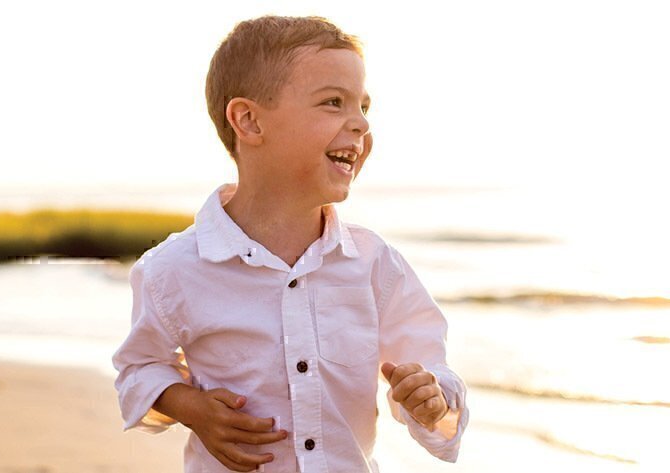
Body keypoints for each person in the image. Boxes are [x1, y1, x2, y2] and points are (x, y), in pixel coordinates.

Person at [112, 14, 469, 473]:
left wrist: (431, 397)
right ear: (249, 121)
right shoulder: (173, 269)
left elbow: (430, 362)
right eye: (333, 102)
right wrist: (191, 408)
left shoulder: (374, 263)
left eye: (364, 106)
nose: (359, 123)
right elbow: (138, 369)